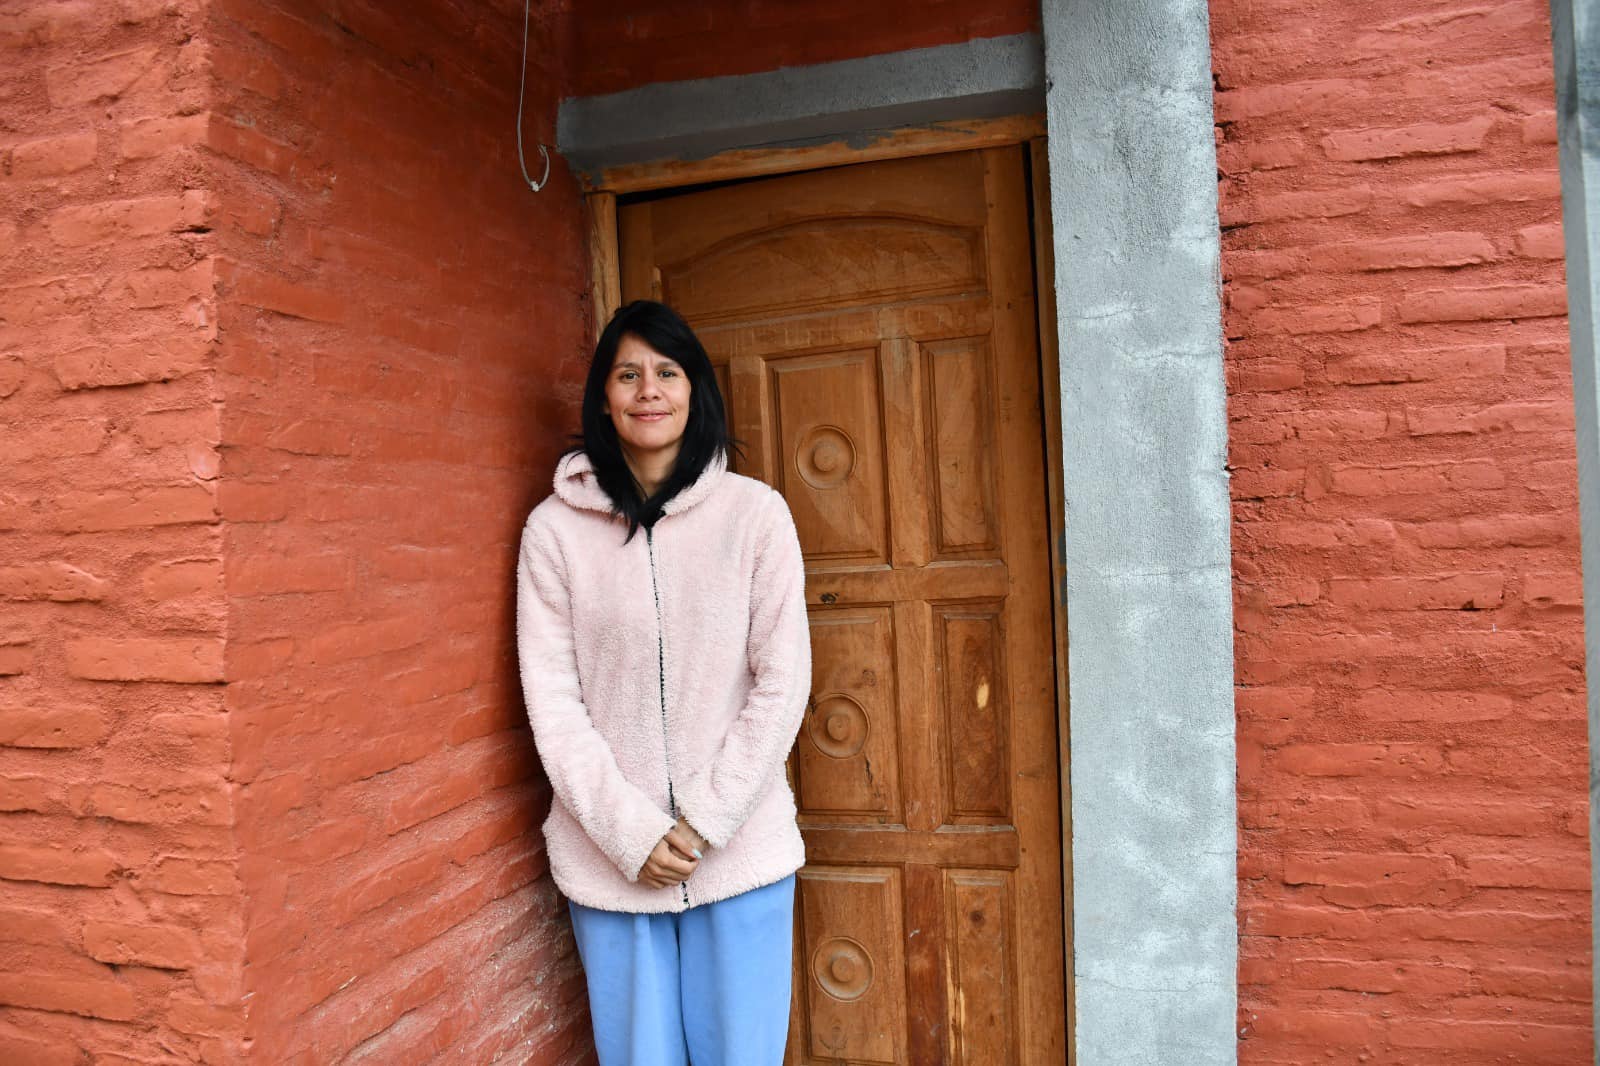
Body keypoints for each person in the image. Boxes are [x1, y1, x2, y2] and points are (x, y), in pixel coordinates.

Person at [514, 299, 812, 1066]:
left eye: (667, 372)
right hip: (610, 865)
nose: (648, 389)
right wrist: (631, 834)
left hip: (738, 854)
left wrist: (703, 821)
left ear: (695, 390)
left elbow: (782, 682)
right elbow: (553, 701)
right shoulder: (554, 533)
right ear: (602, 399)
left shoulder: (757, 517)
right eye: (628, 374)